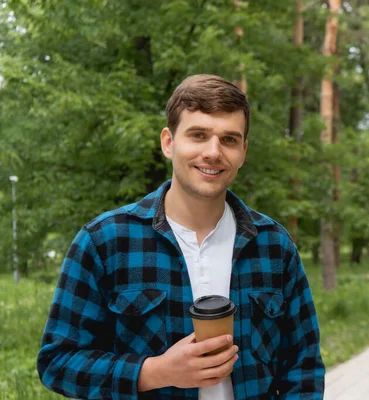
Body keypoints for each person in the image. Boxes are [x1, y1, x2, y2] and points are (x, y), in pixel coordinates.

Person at [37, 74, 325, 399]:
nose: (213, 152)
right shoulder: (105, 242)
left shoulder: (273, 245)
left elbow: (304, 368)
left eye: (229, 140)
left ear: (243, 151)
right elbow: (57, 362)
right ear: (168, 142)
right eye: (198, 135)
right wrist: (154, 372)